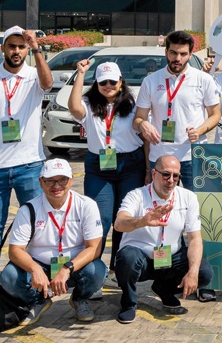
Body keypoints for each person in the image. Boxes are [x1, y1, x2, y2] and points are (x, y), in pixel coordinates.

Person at [0, 26, 54, 281]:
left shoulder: (34, 76)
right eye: (12, 46)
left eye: (21, 47)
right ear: (3, 48)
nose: (16, 51)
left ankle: (36, 275)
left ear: (27, 49)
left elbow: (48, 84)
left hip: (29, 167)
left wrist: (36, 46)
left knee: (37, 226)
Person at [67, 60, 146, 289]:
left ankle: (115, 270)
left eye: (113, 81)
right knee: (98, 220)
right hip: (98, 166)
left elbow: (143, 136)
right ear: (97, 84)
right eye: (103, 82)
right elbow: (73, 108)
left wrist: (149, 170)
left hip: (130, 164)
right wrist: (80, 73)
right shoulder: (89, 104)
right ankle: (94, 272)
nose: (108, 85)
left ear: (121, 82)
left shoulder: (133, 106)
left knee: (123, 219)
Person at [0, 159, 105, 325]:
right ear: (41, 182)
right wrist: (34, 268)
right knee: (8, 277)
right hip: (40, 264)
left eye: (62, 180)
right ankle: (38, 300)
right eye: (50, 180)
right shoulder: (28, 209)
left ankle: (79, 299)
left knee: (98, 271)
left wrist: (67, 268)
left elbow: (94, 249)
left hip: (73, 266)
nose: (56, 186)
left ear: (71, 180)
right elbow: (14, 251)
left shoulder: (87, 206)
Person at [113, 155, 214, 324]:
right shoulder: (136, 195)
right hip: (141, 258)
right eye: (166, 174)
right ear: (154, 173)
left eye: (176, 176)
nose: (171, 180)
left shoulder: (188, 197)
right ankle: (129, 302)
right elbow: (119, 224)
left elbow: (195, 239)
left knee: (204, 272)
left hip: (168, 258)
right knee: (127, 257)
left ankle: (164, 288)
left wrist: (193, 272)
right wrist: (142, 221)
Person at [132, 31, 221, 190]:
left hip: (193, 156)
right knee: (159, 208)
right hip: (160, 157)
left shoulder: (204, 79)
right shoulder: (150, 81)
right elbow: (138, 119)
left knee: (194, 208)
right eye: (173, 53)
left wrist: (199, 131)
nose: (177, 58)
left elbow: (215, 115)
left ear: (190, 54)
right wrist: (143, 125)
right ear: (166, 52)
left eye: (183, 54)